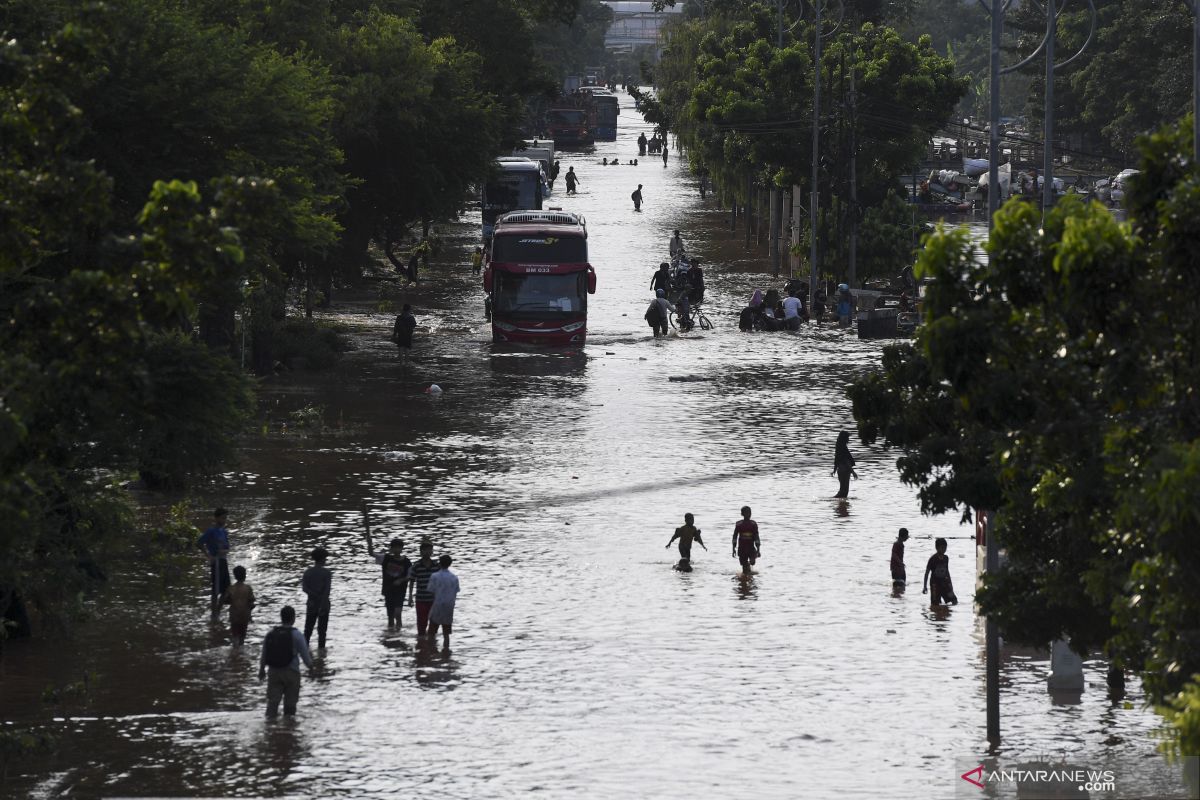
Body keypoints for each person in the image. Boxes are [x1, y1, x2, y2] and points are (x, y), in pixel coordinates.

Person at [258, 606, 314, 717]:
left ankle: (269, 729)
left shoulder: (271, 634)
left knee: (272, 705)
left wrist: (261, 670)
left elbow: (264, 653)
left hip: (274, 672)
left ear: (281, 618)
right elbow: (306, 658)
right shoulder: (297, 635)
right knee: (290, 708)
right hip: (291, 673)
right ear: (293, 619)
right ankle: (288, 730)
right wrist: (312, 669)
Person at [367, 531, 411, 628]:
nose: (396, 549)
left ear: (402, 548)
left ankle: (398, 633)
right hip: (388, 590)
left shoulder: (407, 562)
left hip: (400, 591)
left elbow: (409, 576)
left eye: (399, 547)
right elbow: (371, 553)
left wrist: (401, 580)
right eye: (394, 547)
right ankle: (391, 634)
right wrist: (369, 544)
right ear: (391, 549)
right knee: (390, 616)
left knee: (398, 614)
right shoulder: (385, 558)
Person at [197, 508, 232, 619]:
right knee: (216, 590)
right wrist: (209, 556)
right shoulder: (211, 531)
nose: (224, 520)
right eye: (223, 518)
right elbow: (199, 543)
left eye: (225, 518)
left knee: (226, 590)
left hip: (223, 561)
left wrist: (225, 551)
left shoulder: (224, 531)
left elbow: (228, 547)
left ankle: (217, 611)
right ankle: (214, 614)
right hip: (216, 562)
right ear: (216, 518)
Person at [426, 554, 460, 650]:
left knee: (432, 632)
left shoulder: (434, 576)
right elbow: (456, 591)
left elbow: (431, 591)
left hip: (437, 605)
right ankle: (446, 650)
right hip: (449, 606)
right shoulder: (454, 577)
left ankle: (431, 650)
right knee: (446, 633)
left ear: (439, 564)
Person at [301, 547, 332, 649]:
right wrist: (322, 603)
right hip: (324, 605)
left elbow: (304, 588)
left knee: (308, 630)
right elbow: (327, 591)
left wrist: (313, 595)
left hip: (311, 604)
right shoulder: (327, 573)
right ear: (323, 559)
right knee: (322, 632)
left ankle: (305, 651)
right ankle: (321, 655)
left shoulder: (308, 572)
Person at [408, 539, 438, 637]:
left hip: (434, 599)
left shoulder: (436, 566)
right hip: (421, 598)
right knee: (421, 622)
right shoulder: (416, 566)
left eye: (429, 550)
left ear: (432, 551)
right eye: (425, 550)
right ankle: (421, 643)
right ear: (421, 552)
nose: (427, 552)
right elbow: (411, 581)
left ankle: (431, 642)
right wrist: (410, 598)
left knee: (434, 622)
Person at [221, 565, 255, 647]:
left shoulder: (231, 588)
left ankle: (235, 651)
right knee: (242, 636)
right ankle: (240, 651)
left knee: (235, 635)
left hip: (234, 615)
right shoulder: (248, 588)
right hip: (244, 615)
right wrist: (250, 615)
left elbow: (225, 601)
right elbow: (251, 602)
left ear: (235, 576)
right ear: (244, 576)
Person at [923, 537, 958, 606]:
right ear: (937, 548)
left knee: (954, 600)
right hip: (935, 584)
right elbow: (927, 573)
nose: (944, 550)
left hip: (944, 582)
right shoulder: (933, 559)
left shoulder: (946, 558)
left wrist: (950, 584)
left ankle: (946, 612)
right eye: (942, 548)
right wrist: (925, 586)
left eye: (945, 548)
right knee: (935, 603)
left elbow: (947, 571)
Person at [732, 506, 760, 574]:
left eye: (749, 512)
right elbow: (735, 536)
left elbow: (756, 536)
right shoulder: (739, 524)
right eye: (746, 513)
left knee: (752, 562)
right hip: (742, 548)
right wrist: (733, 548)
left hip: (751, 547)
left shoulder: (753, 524)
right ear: (742, 514)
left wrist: (758, 549)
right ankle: (746, 575)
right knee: (744, 567)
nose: (748, 514)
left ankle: (749, 568)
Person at [833, 430, 858, 498]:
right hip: (845, 469)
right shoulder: (843, 448)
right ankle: (838, 505)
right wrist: (853, 472)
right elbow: (846, 461)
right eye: (847, 437)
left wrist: (834, 470)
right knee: (844, 492)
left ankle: (840, 506)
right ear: (845, 438)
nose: (848, 439)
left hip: (840, 469)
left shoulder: (838, 446)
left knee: (842, 491)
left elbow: (836, 459)